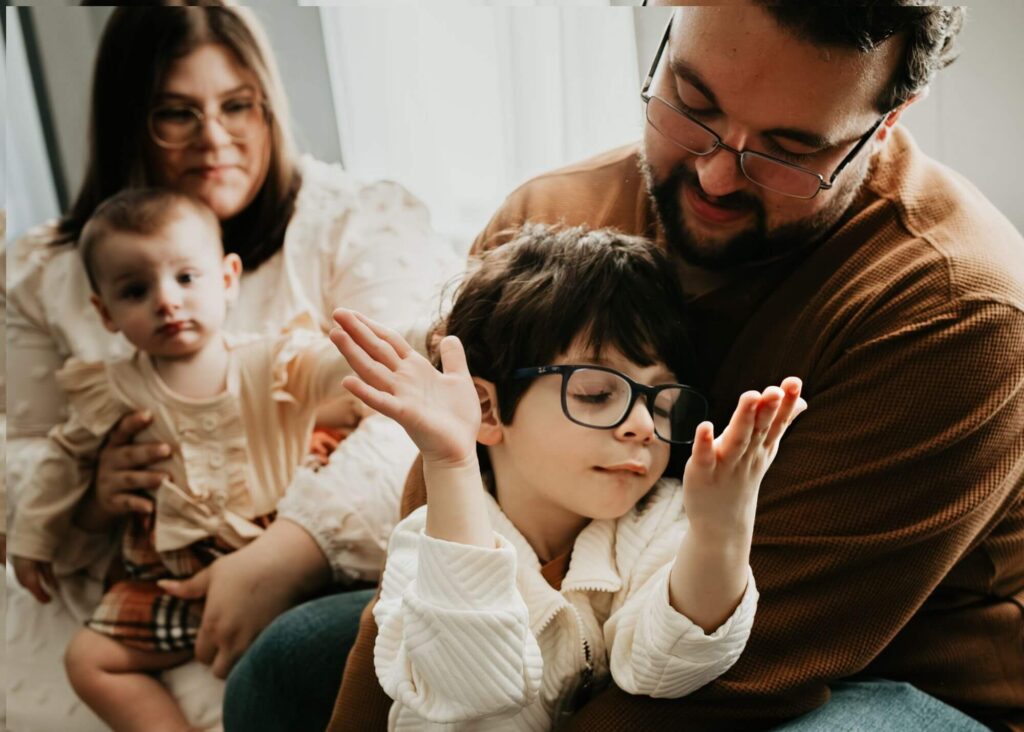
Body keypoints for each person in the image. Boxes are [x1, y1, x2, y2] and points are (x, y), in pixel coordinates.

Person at [327, 4, 1023, 732]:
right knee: (298, 656)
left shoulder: (957, 308)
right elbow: (444, 524)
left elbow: (736, 668)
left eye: (788, 151)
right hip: (580, 623)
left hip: (868, 673)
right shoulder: (550, 219)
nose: (717, 176)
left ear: (887, 120)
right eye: (691, 104)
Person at [4, 5, 457, 731]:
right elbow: (27, 448)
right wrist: (90, 495)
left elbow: (405, 401)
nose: (215, 139)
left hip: (300, 567)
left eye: (238, 105)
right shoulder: (45, 272)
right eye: (175, 114)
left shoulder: (352, 227)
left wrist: (282, 554)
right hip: (126, 585)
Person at [331, 225, 806, 729]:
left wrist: (720, 529)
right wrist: (451, 463)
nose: (644, 426)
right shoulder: (425, 544)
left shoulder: (657, 520)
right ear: (487, 411)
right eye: (598, 394)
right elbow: (467, 688)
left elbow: (666, 667)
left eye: (660, 399)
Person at [8, 188, 356, 732]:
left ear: (227, 279)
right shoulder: (112, 390)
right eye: (135, 290)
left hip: (273, 555)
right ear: (105, 313)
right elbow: (62, 460)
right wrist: (32, 536)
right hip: (168, 573)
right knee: (89, 661)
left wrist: (421, 343)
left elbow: (340, 368)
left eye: (186, 278)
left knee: (329, 636)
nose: (166, 300)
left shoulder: (271, 360)